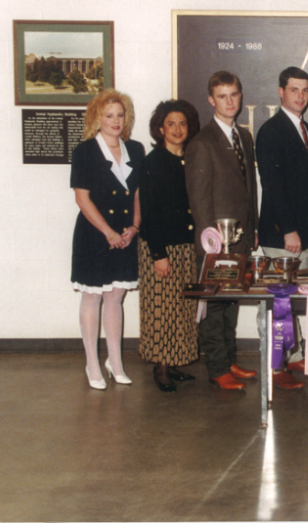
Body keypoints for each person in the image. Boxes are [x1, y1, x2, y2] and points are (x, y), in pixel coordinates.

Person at [185, 71, 259, 391]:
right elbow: (199, 199)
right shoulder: (202, 142)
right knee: (214, 305)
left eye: (234, 94)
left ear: (240, 96)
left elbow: (249, 190)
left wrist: (252, 229)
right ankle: (216, 367)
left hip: (240, 237)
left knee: (232, 301)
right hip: (215, 242)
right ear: (211, 100)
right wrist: (209, 246)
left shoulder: (244, 136)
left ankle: (229, 359)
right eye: (222, 96)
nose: (230, 101)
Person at [70, 89, 144, 390]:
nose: (116, 121)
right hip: (95, 233)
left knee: (116, 296)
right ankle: (92, 363)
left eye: (120, 115)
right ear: (97, 118)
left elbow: (139, 193)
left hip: (126, 234)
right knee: (93, 296)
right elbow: (82, 198)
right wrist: (109, 232)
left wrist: (135, 226)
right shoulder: (85, 151)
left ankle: (115, 361)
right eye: (109, 115)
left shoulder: (136, 150)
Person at [256, 66, 308, 391]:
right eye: (294, 90)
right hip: (283, 232)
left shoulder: (307, 129)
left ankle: (292, 352)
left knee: (293, 298)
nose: (300, 96)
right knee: (280, 300)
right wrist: (288, 229)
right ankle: (276, 364)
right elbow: (271, 185)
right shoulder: (271, 130)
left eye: (305, 90)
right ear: (281, 92)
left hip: (306, 228)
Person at [138, 100, 201, 393]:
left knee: (181, 309)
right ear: (160, 128)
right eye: (171, 124)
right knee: (161, 308)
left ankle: (173, 361)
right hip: (161, 247)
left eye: (183, 124)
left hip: (185, 246)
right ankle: (160, 368)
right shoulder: (153, 162)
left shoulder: (191, 159)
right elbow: (148, 213)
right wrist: (158, 255)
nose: (177, 129)